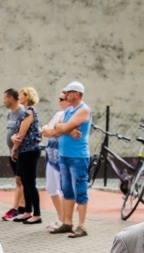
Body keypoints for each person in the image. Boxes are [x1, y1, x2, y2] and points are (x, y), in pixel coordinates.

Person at [52, 81, 91, 238]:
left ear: (77, 94)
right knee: (67, 190)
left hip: (78, 157)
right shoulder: (68, 110)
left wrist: (65, 128)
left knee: (80, 190)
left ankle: (82, 226)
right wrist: (67, 129)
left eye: (68, 92)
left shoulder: (84, 110)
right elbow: (57, 128)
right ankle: (67, 223)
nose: (66, 95)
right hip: (65, 155)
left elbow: (62, 127)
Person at [10, 87, 42, 224]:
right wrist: (14, 138)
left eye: (21, 95)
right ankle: (28, 211)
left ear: (27, 97)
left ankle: (37, 214)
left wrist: (14, 148)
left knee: (30, 183)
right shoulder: (26, 112)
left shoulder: (29, 112)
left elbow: (21, 134)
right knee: (25, 182)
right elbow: (18, 133)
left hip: (30, 151)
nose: (19, 97)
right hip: (25, 151)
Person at [40, 92, 69, 230]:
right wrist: (51, 130)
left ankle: (65, 220)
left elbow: (57, 132)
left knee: (62, 189)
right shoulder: (58, 114)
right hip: (51, 154)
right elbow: (46, 131)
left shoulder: (71, 116)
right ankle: (60, 218)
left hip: (61, 155)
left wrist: (51, 130)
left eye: (62, 99)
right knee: (51, 188)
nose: (59, 101)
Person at [0, 89, 26, 221]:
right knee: (19, 181)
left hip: (21, 152)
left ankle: (17, 208)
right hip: (13, 153)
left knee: (20, 180)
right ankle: (22, 207)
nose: (3, 101)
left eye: (5, 98)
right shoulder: (10, 114)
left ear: (11, 98)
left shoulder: (23, 112)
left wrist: (16, 147)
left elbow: (23, 132)